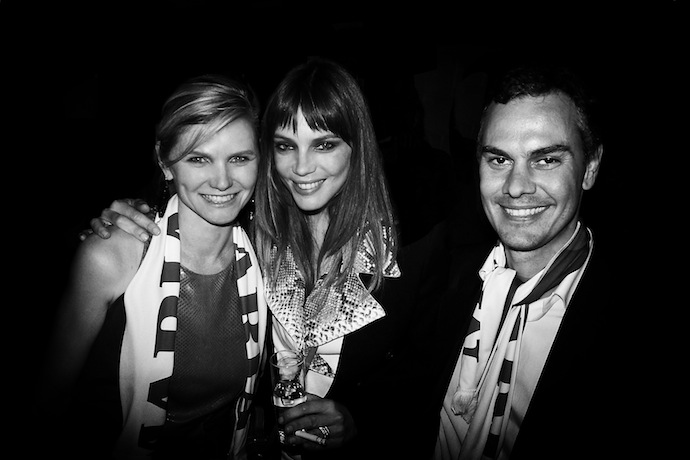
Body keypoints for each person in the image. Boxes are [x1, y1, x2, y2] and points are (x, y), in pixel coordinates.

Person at [82, 57, 452, 459]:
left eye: (324, 144)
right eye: (285, 146)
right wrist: (126, 214)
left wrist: (359, 417)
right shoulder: (254, 234)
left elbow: (426, 376)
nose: (302, 167)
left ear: (357, 148)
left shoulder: (413, 250)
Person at [40, 74, 268, 459]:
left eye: (239, 158)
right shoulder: (114, 255)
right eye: (198, 158)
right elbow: (50, 397)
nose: (223, 180)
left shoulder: (263, 259)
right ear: (165, 162)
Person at [424, 64, 628, 459]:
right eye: (499, 160)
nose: (516, 187)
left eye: (546, 160)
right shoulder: (447, 277)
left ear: (590, 167)